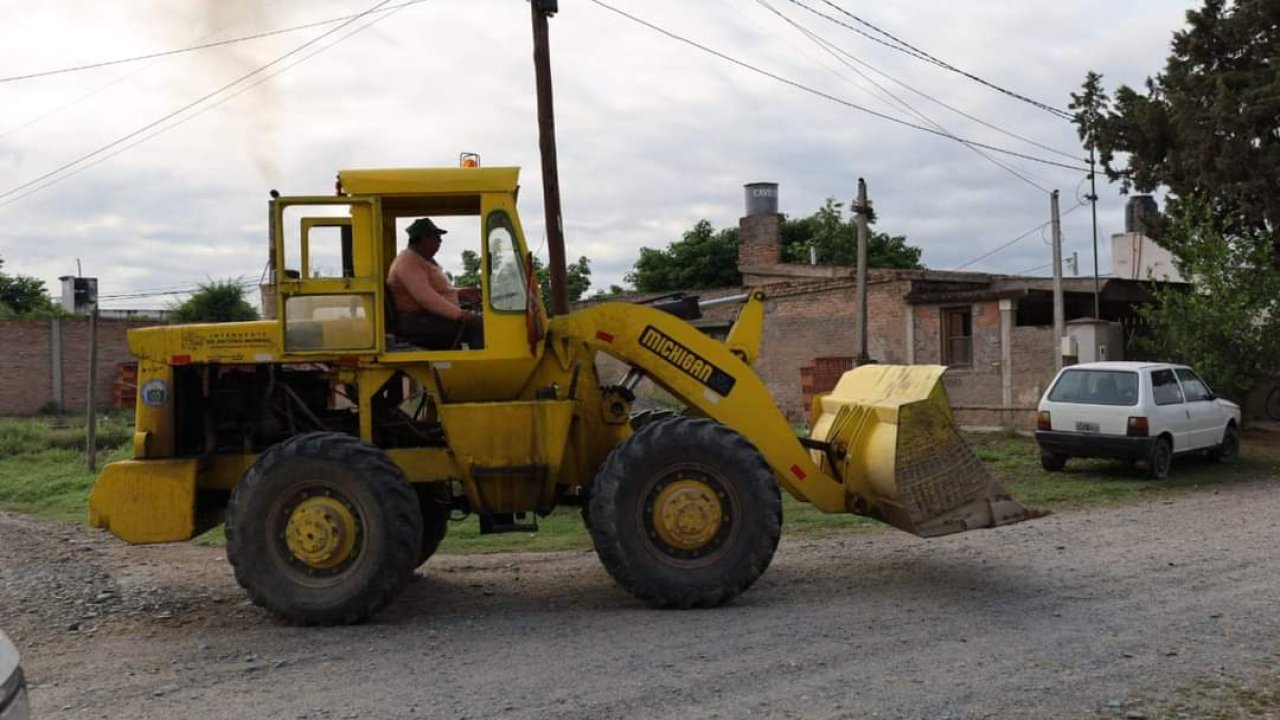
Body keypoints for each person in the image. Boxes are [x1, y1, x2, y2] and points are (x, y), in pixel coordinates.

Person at [387, 217, 484, 349]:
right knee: (477, 326)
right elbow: (425, 297)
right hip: (417, 320)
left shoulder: (421, 260)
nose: (440, 241)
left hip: (426, 317)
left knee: (474, 322)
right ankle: (483, 367)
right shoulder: (408, 262)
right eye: (436, 237)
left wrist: (460, 293)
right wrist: (459, 314)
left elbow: (436, 291)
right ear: (423, 239)